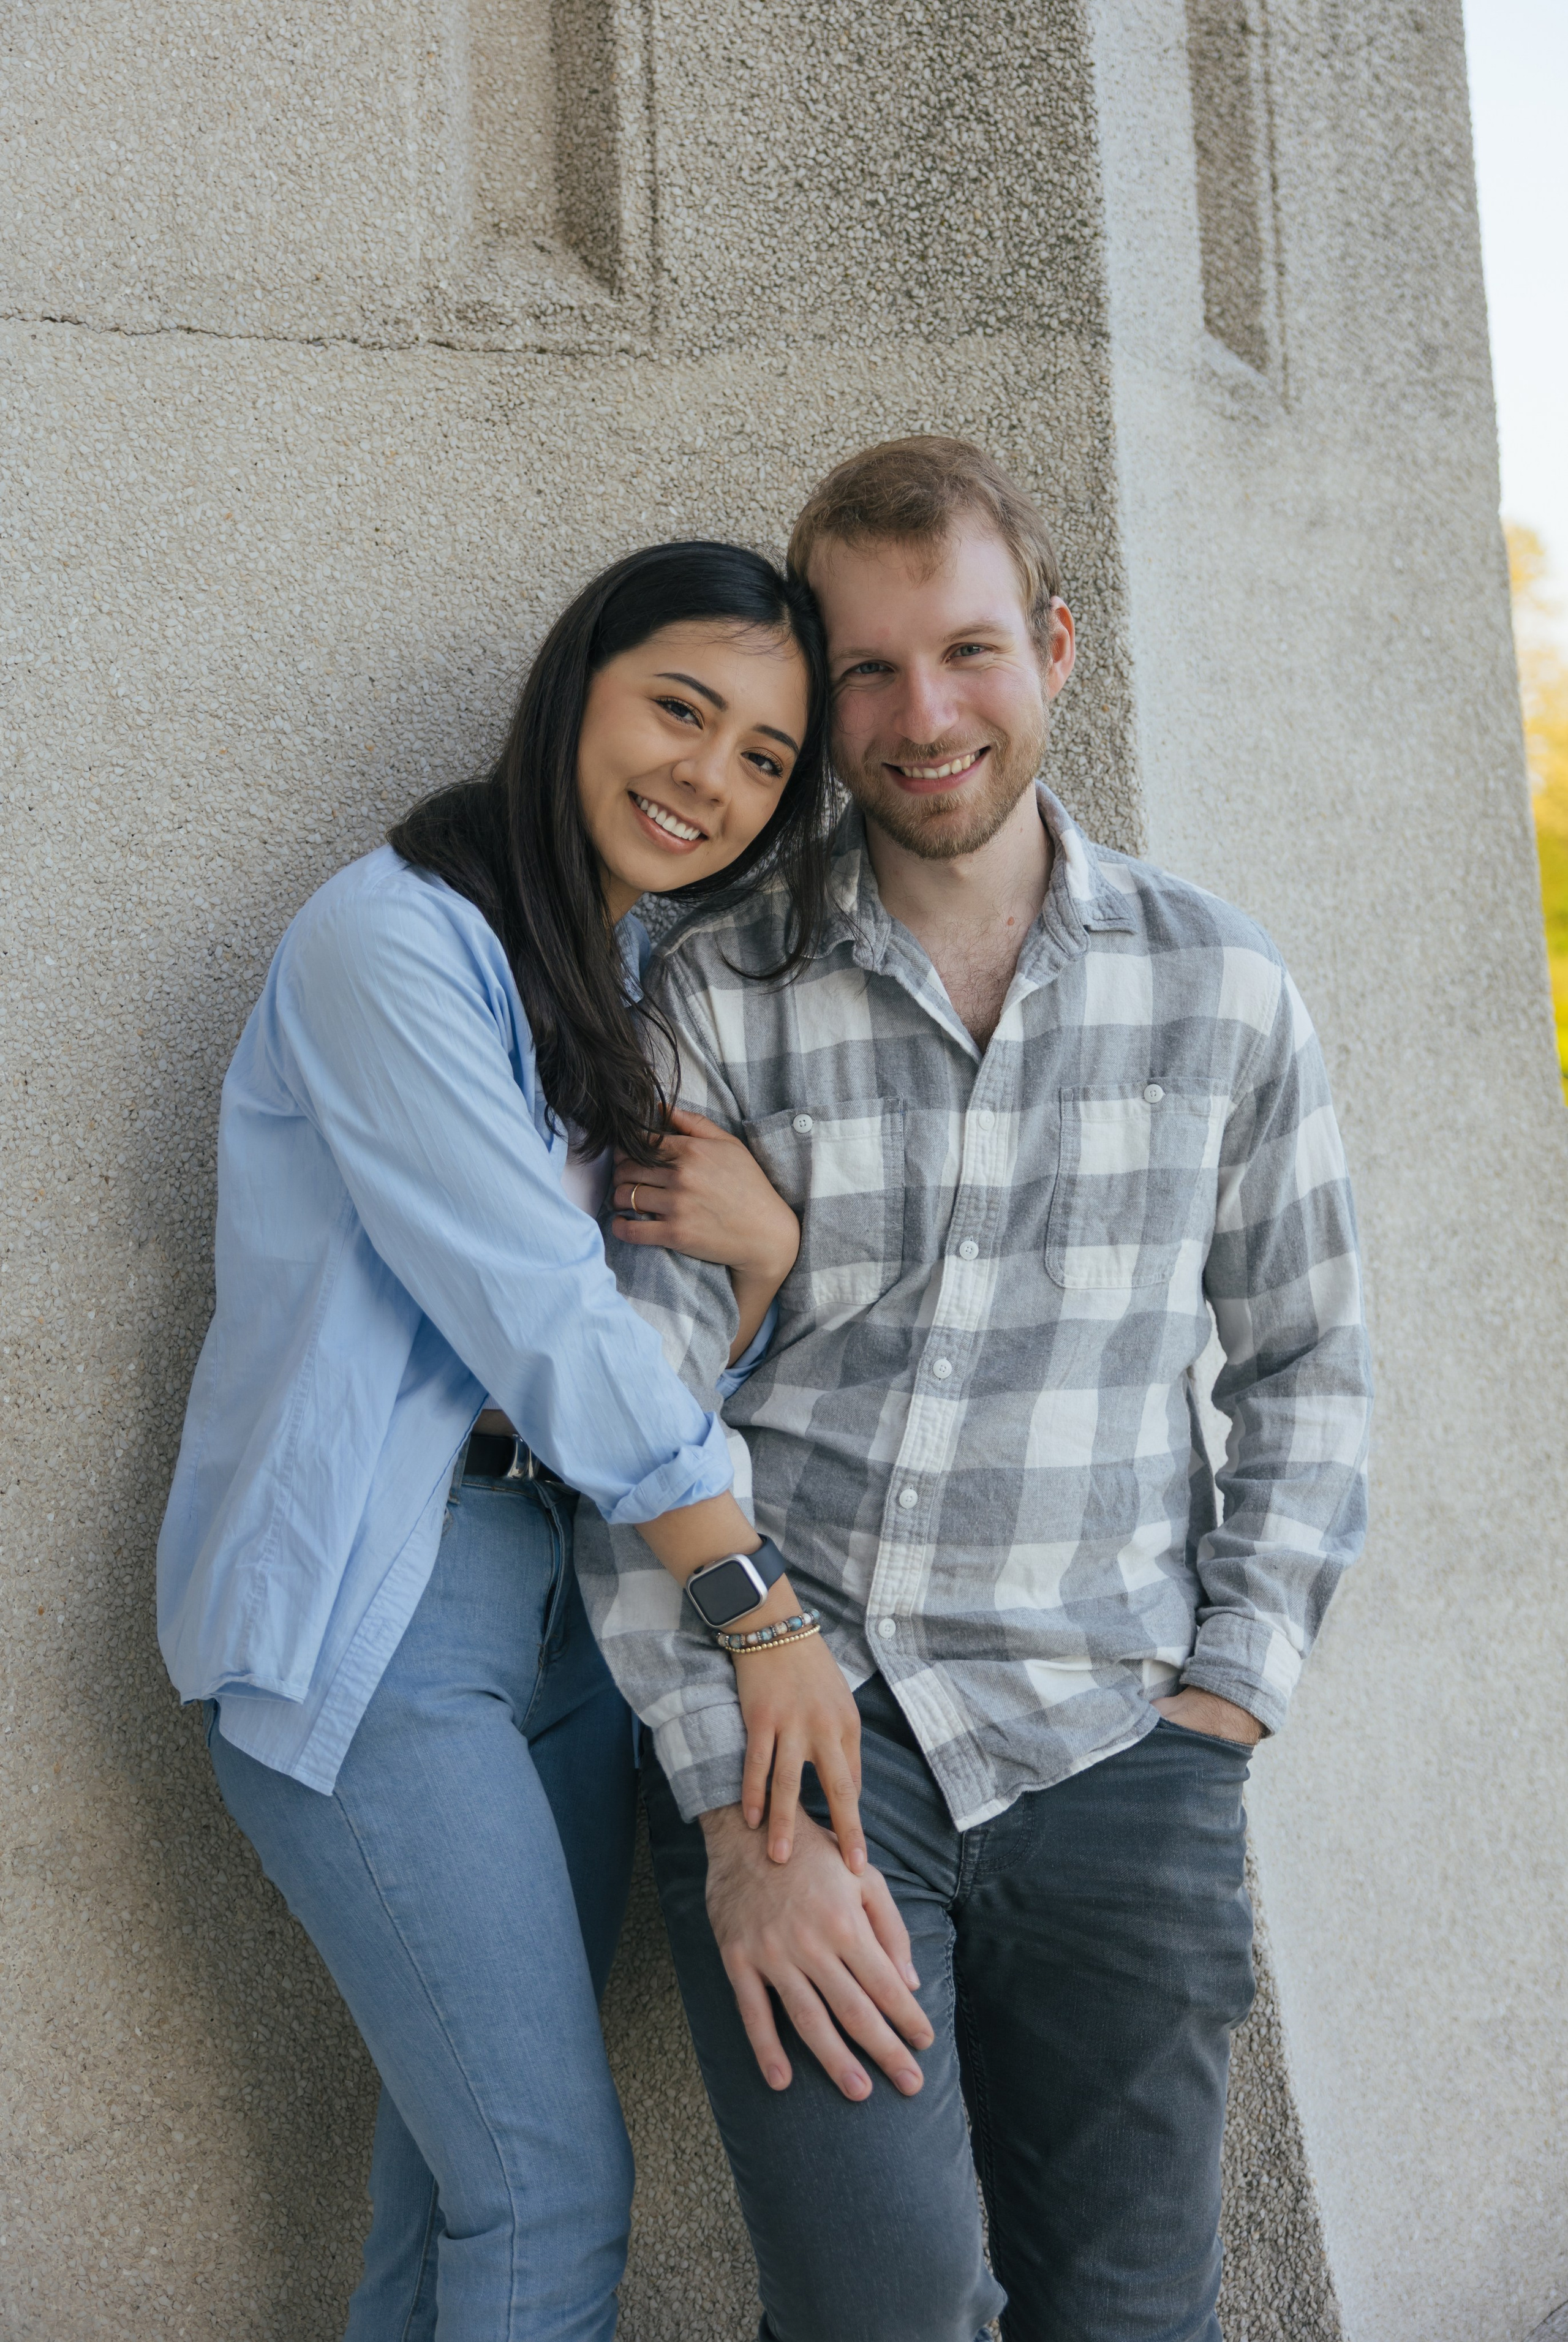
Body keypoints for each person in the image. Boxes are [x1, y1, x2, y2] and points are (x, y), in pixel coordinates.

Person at [576, 440, 1374, 2342]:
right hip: (811, 1747)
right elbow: (635, 1413)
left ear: (1057, 647)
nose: (923, 717)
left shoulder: (1224, 991)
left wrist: (1224, 1712)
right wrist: (725, 1803)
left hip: (1123, 1747)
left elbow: (1310, 1363)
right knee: (887, 2311)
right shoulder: (718, 988)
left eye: (969, 652)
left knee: (1131, 2318)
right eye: (866, 670)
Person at [155, 541, 895, 2342]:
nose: (709, 779)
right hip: (383, 1622)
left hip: (562, 1623)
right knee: (547, 2198)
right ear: (580, 686)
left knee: (453, 2197)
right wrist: (757, 1609)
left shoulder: (630, 973)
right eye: (680, 710)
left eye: (765, 759)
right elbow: (544, 1311)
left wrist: (774, 1258)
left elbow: (646, 1356)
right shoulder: (386, 943)